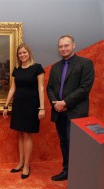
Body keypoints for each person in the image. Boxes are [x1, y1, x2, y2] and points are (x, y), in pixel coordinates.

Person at [47, 35, 95, 181]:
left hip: (76, 112)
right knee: (64, 142)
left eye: (66, 45)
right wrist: (56, 103)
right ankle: (67, 171)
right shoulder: (55, 67)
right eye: (60, 46)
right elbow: (49, 88)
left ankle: (79, 174)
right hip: (59, 112)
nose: (63, 49)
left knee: (75, 144)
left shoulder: (85, 63)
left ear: (73, 45)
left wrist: (65, 102)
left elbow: (85, 88)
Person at [3, 43, 45, 179]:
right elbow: (12, 89)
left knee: (27, 135)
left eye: (24, 52)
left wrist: (42, 108)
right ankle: (20, 162)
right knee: (20, 134)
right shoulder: (16, 70)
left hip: (32, 105)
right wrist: (5, 106)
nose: (22, 55)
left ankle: (27, 165)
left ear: (29, 53)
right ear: (18, 56)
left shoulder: (37, 68)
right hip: (19, 105)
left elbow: (41, 88)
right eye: (20, 53)